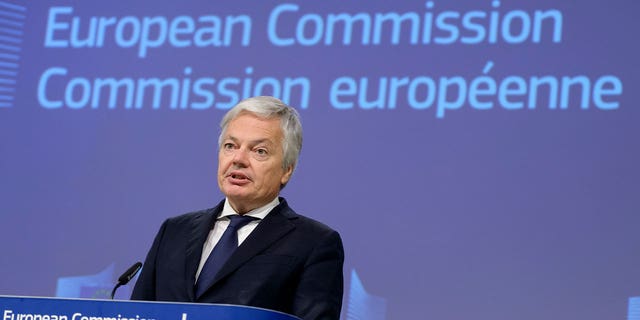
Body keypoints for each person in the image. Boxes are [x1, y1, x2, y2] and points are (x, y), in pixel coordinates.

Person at [130, 96, 344, 320]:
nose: (239, 159)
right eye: (230, 146)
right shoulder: (174, 231)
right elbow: (137, 314)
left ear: (286, 170)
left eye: (259, 151)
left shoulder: (314, 243)